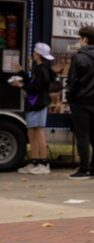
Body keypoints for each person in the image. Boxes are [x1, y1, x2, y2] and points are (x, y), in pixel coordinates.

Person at [11, 42, 55, 175]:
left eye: (35, 52)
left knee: (39, 131)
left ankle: (43, 163)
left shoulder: (42, 69)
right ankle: (35, 161)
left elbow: (36, 88)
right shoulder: (40, 68)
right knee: (31, 132)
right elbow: (33, 82)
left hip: (38, 103)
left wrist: (21, 85)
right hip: (34, 103)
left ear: (39, 54)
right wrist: (22, 73)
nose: (33, 54)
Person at [66, 25, 94, 180]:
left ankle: (83, 169)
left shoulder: (79, 57)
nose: (79, 41)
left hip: (80, 101)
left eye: (80, 38)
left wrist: (69, 97)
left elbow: (73, 80)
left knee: (82, 136)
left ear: (85, 39)